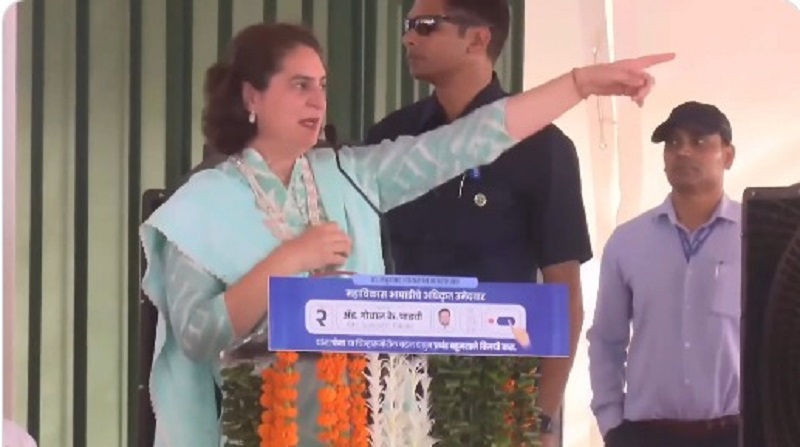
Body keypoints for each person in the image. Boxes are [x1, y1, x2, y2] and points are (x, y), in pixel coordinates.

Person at [139, 21, 672, 447]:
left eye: (322, 87)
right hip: (257, 428)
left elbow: (468, 142)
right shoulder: (202, 203)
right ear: (251, 96)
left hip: (364, 423)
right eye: (299, 86)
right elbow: (198, 334)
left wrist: (578, 85)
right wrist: (291, 257)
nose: (317, 101)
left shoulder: (352, 173)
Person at [364, 0, 590, 443]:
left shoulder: (542, 146)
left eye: (426, 26)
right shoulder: (390, 139)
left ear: (478, 38)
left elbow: (564, 294)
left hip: (498, 397)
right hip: (396, 397)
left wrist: (539, 419)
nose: (409, 38)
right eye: (408, 26)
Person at [587, 101, 740, 447]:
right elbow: (606, 340)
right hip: (646, 434)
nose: (683, 151)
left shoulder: (755, 235)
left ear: (727, 156)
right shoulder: (629, 241)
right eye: (673, 142)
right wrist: (611, 422)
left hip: (736, 432)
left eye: (699, 141)